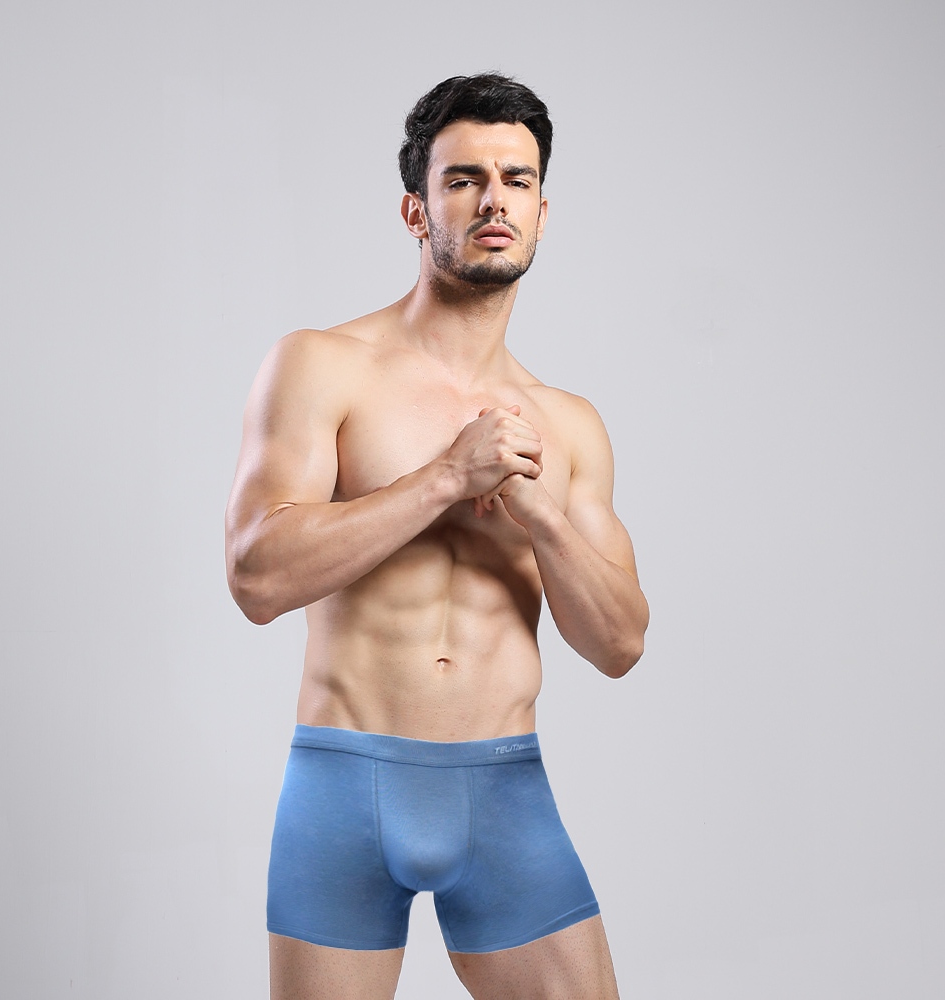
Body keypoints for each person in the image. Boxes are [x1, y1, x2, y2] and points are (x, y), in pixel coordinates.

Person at [225, 73, 649, 1000]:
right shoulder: (322, 365)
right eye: (464, 179)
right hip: (344, 790)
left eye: (517, 180)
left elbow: (619, 644)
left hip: (505, 794)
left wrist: (542, 519)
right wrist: (447, 478)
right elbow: (257, 577)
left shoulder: (569, 425)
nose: (494, 199)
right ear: (416, 210)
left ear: (541, 213)